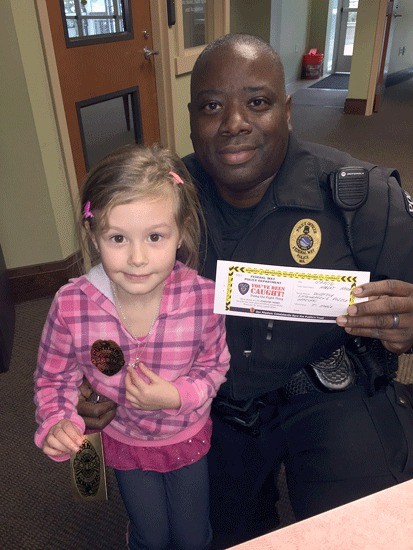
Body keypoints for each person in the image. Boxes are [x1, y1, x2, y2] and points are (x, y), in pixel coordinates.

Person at [79, 34, 413, 549]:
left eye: (257, 102)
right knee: (209, 536)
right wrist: (97, 378)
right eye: (213, 106)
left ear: (288, 110)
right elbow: (100, 308)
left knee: (360, 531)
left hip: (331, 397)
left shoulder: (359, 195)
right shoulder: (157, 202)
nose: (234, 122)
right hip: (204, 403)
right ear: (192, 120)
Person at [34, 144, 230, 550]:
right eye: (118, 238)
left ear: (182, 231)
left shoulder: (203, 300)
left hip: (187, 437)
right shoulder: (72, 306)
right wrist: (57, 421)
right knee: (151, 536)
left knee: (193, 536)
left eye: (156, 236)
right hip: (125, 443)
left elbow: (215, 364)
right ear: (93, 233)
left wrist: (178, 395)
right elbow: (54, 378)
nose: (138, 258)